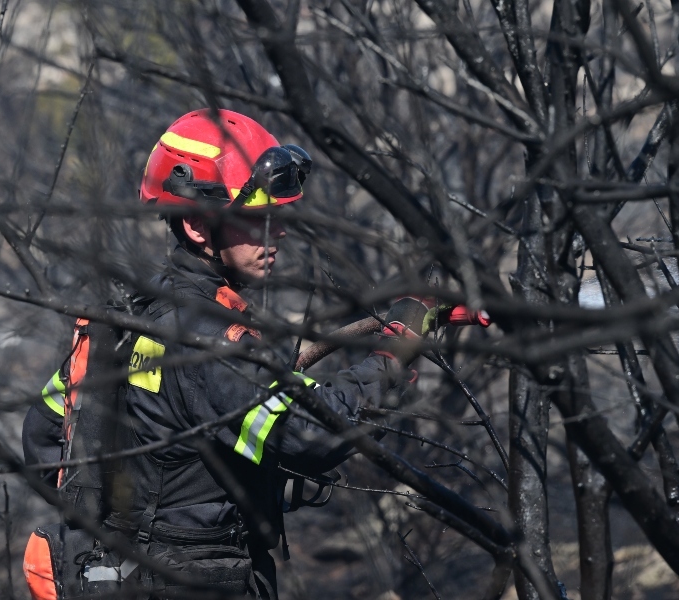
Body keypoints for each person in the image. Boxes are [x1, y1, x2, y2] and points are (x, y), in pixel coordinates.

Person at [23, 109, 450, 599]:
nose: (279, 234)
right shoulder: (208, 338)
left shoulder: (134, 312)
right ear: (200, 229)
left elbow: (44, 432)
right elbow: (311, 435)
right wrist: (392, 354)